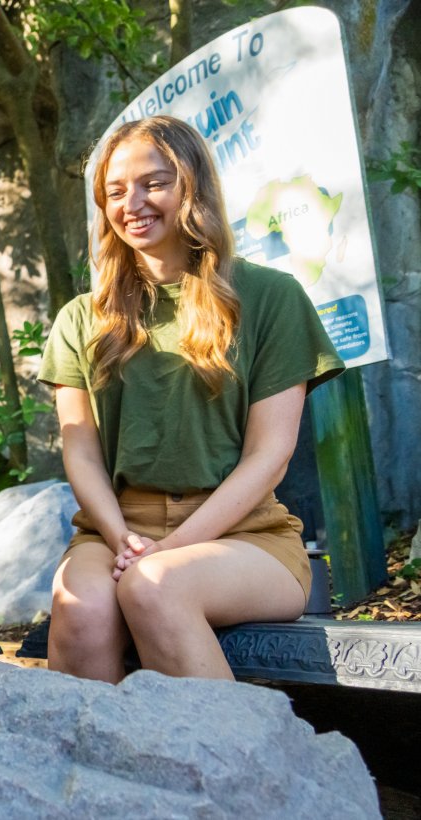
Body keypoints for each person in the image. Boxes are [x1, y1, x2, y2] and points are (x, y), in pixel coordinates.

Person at [39, 115, 344, 682]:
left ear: (192, 186)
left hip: (245, 534)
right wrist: (122, 539)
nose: (132, 203)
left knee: (155, 586)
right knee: (81, 610)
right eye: (115, 191)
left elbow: (270, 454)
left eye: (153, 183)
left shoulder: (271, 297)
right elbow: (80, 453)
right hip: (115, 531)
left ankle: (238, 744)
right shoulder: (80, 319)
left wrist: (174, 547)